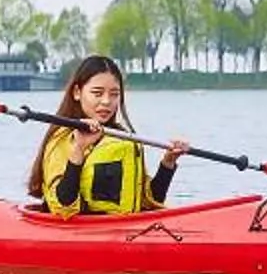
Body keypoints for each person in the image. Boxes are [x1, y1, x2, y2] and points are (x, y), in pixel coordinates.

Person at [25, 55, 193, 217]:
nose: (107, 101)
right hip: (85, 234)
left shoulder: (121, 138)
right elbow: (62, 208)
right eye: (97, 93)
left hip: (125, 229)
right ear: (77, 92)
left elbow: (151, 201)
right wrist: (78, 149)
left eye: (114, 94)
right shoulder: (63, 138)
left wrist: (168, 163)